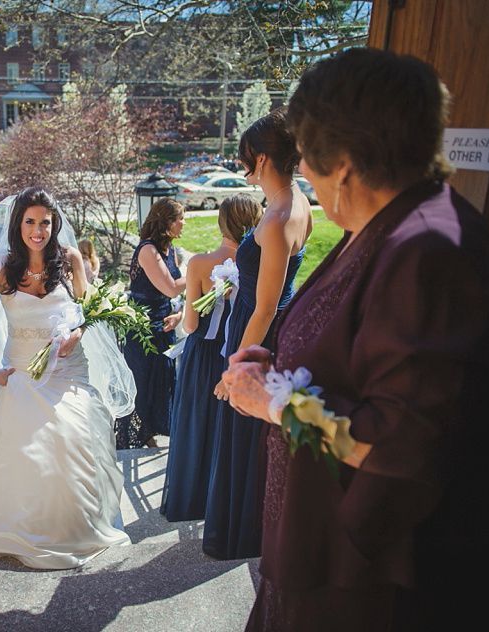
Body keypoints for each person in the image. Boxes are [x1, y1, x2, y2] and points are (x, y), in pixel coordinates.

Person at [222, 48, 489, 631]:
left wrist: (276, 402)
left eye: (305, 154)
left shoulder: (430, 252)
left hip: (369, 582)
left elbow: (400, 443)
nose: (301, 169)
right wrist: (276, 359)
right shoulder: (384, 225)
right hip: (324, 551)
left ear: (346, 161)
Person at [0, 187, 132, 569]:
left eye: (45, 222)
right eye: (30, 221)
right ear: (18, 224)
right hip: (21, 377)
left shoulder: (72, 260)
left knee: (74, 443)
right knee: (26, 454)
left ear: (54, 223)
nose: (38, 230)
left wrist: (75, 335)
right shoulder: (0, 267)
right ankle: (23, 531)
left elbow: (90, 314)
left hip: (69, 373)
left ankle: (75, 528)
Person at [202, 108, 311, 560]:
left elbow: (266, 306)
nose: (243, 165)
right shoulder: (293, 201)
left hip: (258, 334)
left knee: (244, 430)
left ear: (261, 159)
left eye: (246, 157)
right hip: (260, 325)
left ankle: (242, 532)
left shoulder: (279, 215)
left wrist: (236, 365)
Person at [160, 195, 263, 522]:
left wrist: (186, 318)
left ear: (221, 223)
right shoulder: (259, 263)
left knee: (195, 424)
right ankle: (225, 501)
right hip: (238, 352)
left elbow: (191, 324)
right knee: (227, 427)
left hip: (204, 354)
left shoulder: (200, 263)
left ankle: (193, 499)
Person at [115, 198, 186, 449]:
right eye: (179, 218)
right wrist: (200, 273)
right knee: (142, 384)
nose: (183, 223)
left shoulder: (171, 250)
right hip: (142, 330)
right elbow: (170, 287)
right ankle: (131, 439)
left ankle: (150, 433)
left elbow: (175, 297)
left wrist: (179, 314)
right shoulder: (147, 250)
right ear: (165, 222)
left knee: (163, 381)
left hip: (164, 327)